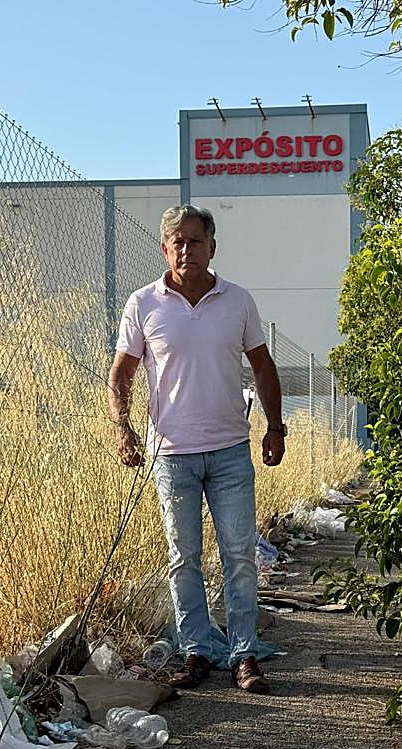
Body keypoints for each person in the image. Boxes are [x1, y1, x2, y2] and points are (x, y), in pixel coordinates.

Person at [107, 204, 286, 694]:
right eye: (177, 242)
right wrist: (123, 429)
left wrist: (275, 427)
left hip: (230, 451)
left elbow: (263, 367)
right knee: (183, 557)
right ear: (165, 249)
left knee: (239, 555)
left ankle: (244, 655)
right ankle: (195, 652)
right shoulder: (144, 304)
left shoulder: (238, 302)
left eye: (195, 240)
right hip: (171, 454)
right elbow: (121, 374)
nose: (186, 249)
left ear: (212, 247)